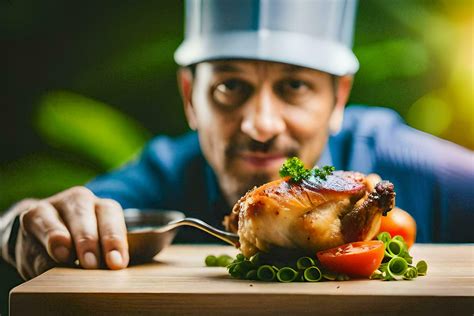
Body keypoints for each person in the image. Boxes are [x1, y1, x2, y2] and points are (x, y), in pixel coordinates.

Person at [1, 0, 473, 280]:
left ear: (337, 99)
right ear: (191, 97)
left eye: (294, 87)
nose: (261, 124)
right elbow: (53, 214)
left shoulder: (410, 162)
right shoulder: (165, 172)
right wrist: (22, 222)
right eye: (230, 87)